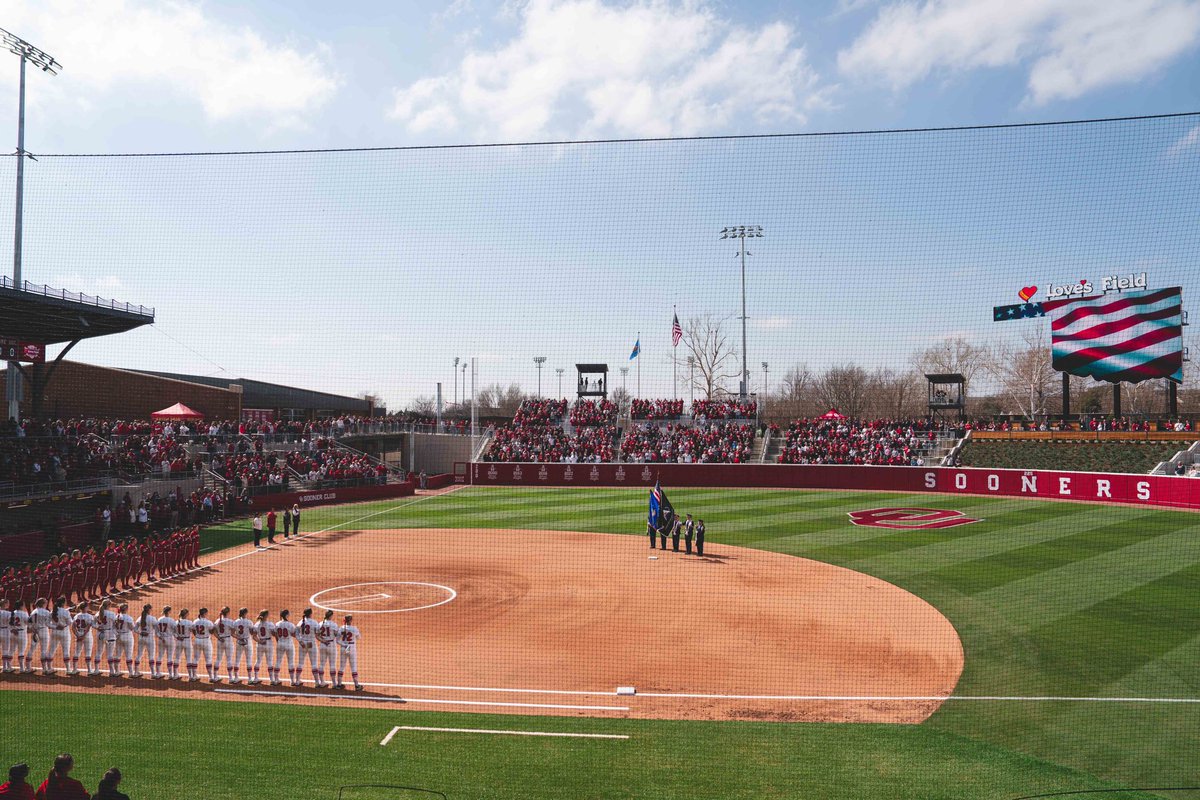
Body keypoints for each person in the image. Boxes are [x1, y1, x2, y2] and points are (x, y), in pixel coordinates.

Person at [335, 613, 362, 691]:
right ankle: (357, 686)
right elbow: (359, 637)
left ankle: (339, 685)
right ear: (351, 620)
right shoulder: (354, 628)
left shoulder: (341, 628)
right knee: (353, 667)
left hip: (344, 648)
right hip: (351, 648)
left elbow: (337, 641)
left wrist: (344, 644)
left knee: (342, 666)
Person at [68, 602, 94, 677]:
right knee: (88, 653)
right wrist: (83, 635)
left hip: (79, 635)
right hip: (87, 636)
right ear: (85, 607)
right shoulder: (89, 616)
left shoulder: (76, 616)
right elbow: (88, 627)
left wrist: (78, 635)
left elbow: (73, 627)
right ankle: (89, 671)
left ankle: (74, 669)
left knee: (77, 652)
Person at [249, 610, 274, 685]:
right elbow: (273, 634)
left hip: (260, 644)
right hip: (268, 643)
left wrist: (260, 641)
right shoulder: (270, 624)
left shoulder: (256, 624)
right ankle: (272, 680)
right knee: (269, 661)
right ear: (266, 616)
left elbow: (254, 636)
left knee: (258, 661)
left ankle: (256, 678)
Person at [28, 599, 52, 676]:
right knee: (44, 650)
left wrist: (33, 630)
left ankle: (28, 667)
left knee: (32, 649)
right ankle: (45, 669)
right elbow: (49, 624)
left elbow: (29, 624)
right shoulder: (46, 612)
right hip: (44, 631)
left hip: (34, 632)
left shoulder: (33, 612)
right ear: (43, 604)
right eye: (46, 603)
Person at [315, 609, 339, 688]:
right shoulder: (333, 624)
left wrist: (323, 640)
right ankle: (334, 684)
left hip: (322, 645)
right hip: (331, 645)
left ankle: (322, 682)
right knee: (332, 664)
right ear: (331, 616)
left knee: (322, 664)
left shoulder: (320, 624)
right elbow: (337, 635)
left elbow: (317, 636)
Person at [229, 607, 253, 684]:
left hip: (239, 642)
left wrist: (239, 638)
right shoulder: (249, 622)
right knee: (249, 660)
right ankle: (250, 679)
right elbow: (252, 633)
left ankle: (236, 678)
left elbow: (232, 634)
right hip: (247, 642)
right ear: (245, 613)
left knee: (237, 660)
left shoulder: (235, 622)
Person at [190, 608, 215, 682]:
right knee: (208, 659)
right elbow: (212, 631)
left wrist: (197, 636)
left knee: (195, 658)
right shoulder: (208, 622)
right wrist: (215, 627)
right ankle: (211, 677)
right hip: (206, 641)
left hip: (197, 640)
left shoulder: (195, 621)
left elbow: (193, 630)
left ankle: (194, 676)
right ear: (204, 614)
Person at [131, 604, 156, 679]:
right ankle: (153, 674)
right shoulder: (152, 618)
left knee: (139, 655)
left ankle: (136, 672)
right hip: (150, 638)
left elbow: (134, 629)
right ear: (149, 610)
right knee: (151, 656)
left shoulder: (140, 618)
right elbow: (157, 629)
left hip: (141, 638)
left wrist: (141, 632)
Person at [295, 608, 318, 686]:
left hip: (302, 645)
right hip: (312, 644)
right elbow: (318, 633)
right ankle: (317, 682)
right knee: (314, 663)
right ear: (310, 614)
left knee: (300, 663)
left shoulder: (300, 622)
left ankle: (297, 680)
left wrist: (301, 641)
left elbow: (296, 634)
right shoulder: (314, 622)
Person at [273, 609, 296, 686]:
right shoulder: (290, 624)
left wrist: (279, 641)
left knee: (278, 661)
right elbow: (294, 634)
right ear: (286, 615)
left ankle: (276, 680)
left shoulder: (277, 624)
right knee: (291, 662)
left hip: (280, 644)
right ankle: (292, 681)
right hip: (289, 644)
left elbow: (275, 634)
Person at [171, 609, 193, 681]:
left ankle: (175, 675)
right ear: (186, 614)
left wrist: (177, 637)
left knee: (177, 658)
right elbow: (193, 630)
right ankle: (190, 676)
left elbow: (173, 632)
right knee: (189, 658)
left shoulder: (176, 622)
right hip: (187, 641)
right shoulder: (189, 622)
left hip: (178, 641)